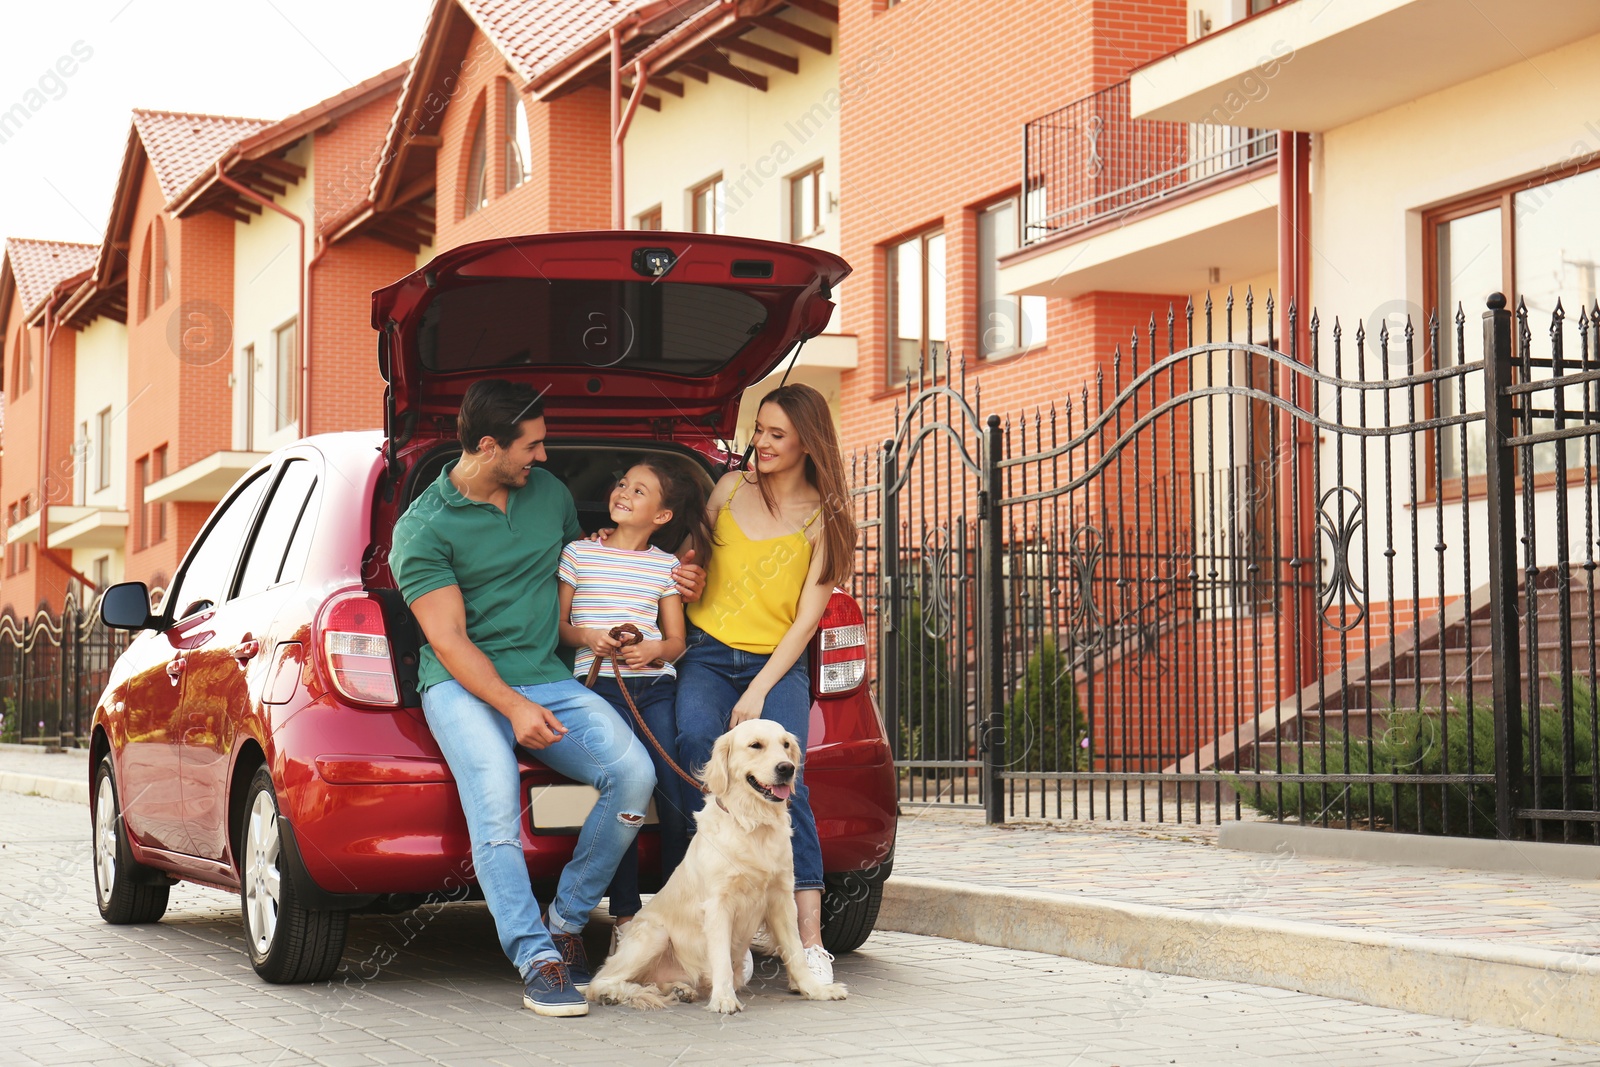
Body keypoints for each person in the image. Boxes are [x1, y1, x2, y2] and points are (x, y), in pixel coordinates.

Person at [389, 379, 697, 1018]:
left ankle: (566, 918)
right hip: (461, 689)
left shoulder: (549, 496)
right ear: (487, 446)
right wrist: (513, 707)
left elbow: (595, 566)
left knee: (633, 775)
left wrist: (685, 573)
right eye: (532, 446)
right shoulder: (422, 529)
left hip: (548, 676)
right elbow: (447, 642)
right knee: (495, 803)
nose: (546, 457)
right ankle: (537, 957)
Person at [674, 382, 859, 985]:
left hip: (775, 661)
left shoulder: (821, 517)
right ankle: (727, 923)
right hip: (706, 652)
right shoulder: (729, 488)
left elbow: (808, 619)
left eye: (777, 435)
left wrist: (757, 692)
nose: (763, 443)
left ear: (809, 440)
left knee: (786, 785)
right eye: (760, 430)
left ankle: (808, 944)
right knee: (701, 757)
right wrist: (686, 576)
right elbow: (690, 557)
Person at [556, 457, 711, 947]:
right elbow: (559, 627)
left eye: (639, 491)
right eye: (622, 483)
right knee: (627, 796)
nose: (624, 492)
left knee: (675, 793)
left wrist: (653, 650)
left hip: (656, 689)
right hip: (601, 687)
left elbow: (677, 641)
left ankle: (677, 911)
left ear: (662, 517)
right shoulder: (578, 554)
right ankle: (625, 918)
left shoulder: (665, 566)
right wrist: (590, 637)